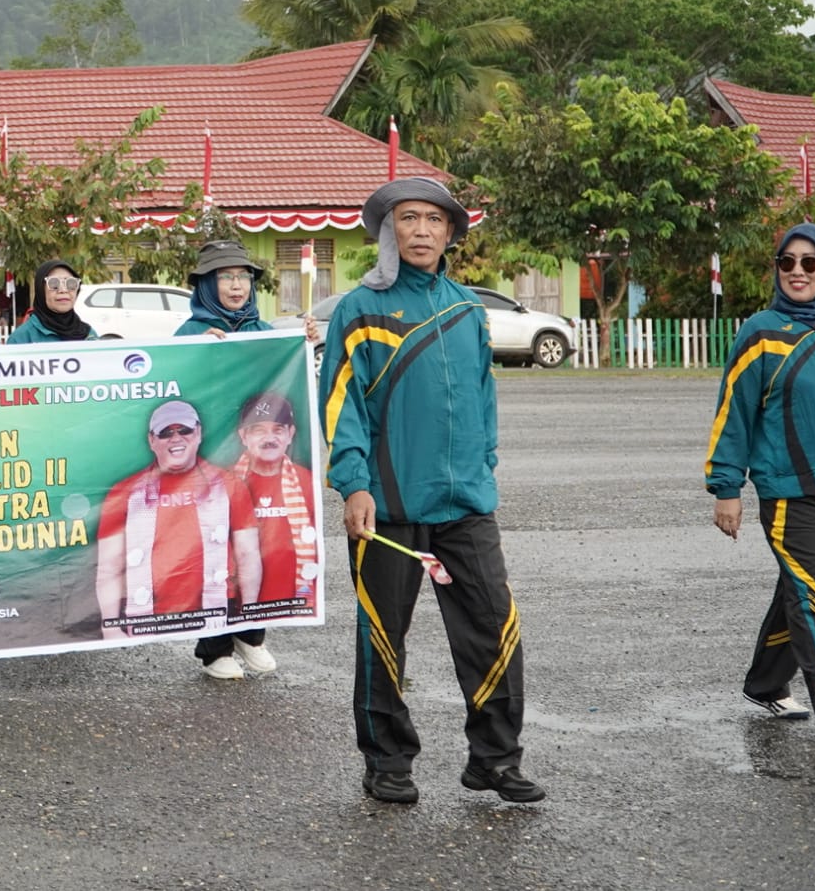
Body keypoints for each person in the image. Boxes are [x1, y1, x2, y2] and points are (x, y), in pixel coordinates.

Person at [319, 176, 542, 805]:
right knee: (383, 638)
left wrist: (483, 464)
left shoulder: (468, 307)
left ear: (451, 232)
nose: (421, 230)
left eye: (434, 220)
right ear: (388, 231)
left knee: (494, 629)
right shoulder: (358, 310)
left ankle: (495, 758)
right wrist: (353, 484)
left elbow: (482, 395)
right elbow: (340, 404)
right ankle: (388, 762)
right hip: (386, 507)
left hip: (466, 506)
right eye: (408, 219)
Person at [706, 222, 815, 742]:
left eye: (810, 262)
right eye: (788, 262)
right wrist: (725, 489)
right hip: (789, 489)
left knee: (803, 586)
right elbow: (733, 411)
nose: (798, 272)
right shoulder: (760, 331)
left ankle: (766, 682)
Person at [173, 240, 284, 678]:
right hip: (211, 464)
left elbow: (292, 380)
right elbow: (171, 385)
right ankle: (215, 647)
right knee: (215, 550)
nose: (236, 285)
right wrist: (197, 351)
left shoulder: (267, 331)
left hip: (257, 465)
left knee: (260, 544)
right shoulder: (189, 333)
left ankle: (251, 634)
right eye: (225, 277)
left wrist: (307, 342)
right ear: (205, 284)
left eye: (243, 277)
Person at [95, 400, 262, 639]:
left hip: (218, 611)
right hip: (144, 617)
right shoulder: (125, 492)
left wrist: (250, 615)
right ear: (152, 440)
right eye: (166, 433)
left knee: (222, 661)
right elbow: (109, 566)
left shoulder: (228, 485)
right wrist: (109, 626)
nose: (176, 438)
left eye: (184, 430)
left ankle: (230, 651)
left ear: (199, 433)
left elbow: (248, 554)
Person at [7, 260, 97, 345]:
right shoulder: (21, 339)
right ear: (41, 290)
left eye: (71, 283)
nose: (63, 290)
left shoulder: (89, 335)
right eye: (54, 283)